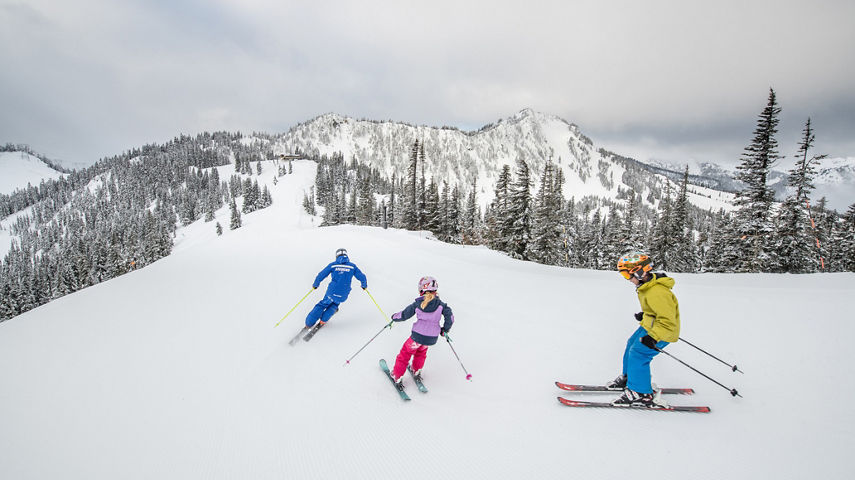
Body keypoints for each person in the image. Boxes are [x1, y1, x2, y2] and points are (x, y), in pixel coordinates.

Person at [607, 252, 680, 407]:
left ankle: (640, 392)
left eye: (628, 275)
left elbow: (668, 321)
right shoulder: (647, 286)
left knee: (639, 353)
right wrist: (645, 315)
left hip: (661, 332)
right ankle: (630, 377)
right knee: (631, 343)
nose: (628, 279)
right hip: (651, 326)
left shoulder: (657, 292)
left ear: (639, 272)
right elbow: (657, 311)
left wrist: (653, 338)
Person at [389, 276, 454, 387]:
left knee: (405, 354)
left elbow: (404, 315)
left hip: (417, 336)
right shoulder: (442, 305)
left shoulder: (418, 304)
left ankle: (397, 375)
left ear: (421, 289)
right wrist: (444, 330)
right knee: (421, 353)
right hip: (431, 338)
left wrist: (394, 317)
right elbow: (450, 318)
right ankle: (416, 370)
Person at [305, 248, 367, 328]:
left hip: (331, 292)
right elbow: (362, 277)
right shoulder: (352, 266)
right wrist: (364, 286)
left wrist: (315, 285)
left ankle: (309, 323)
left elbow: (321, 275)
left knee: (322, 305)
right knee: (334, 305)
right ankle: (323, 321)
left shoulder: (333, 265)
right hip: (343, 294)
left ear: (336, 255)